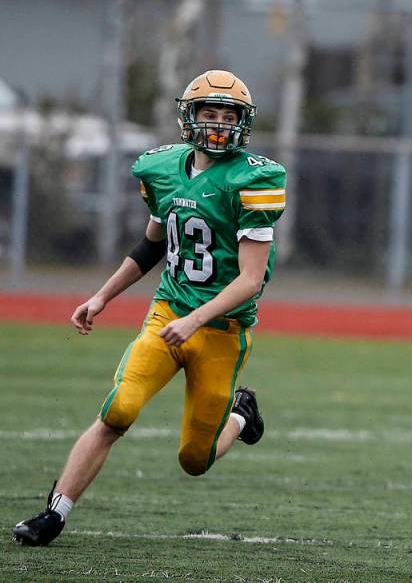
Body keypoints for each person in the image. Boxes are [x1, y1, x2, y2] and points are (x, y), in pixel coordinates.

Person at [12, 70, 287, 546]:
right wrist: (101, 296)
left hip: (220, 330)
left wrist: (196, 318)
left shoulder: (254, 179)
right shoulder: (162, 169)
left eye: (229, 115)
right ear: (190, 117)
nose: (219, 124)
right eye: (210, 113)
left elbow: (250, 279)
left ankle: (242, 416)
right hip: (167, 316)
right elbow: (150, 247)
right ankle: (53, 514)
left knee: (194, 460)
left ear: (243, 122)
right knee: (118, 409)